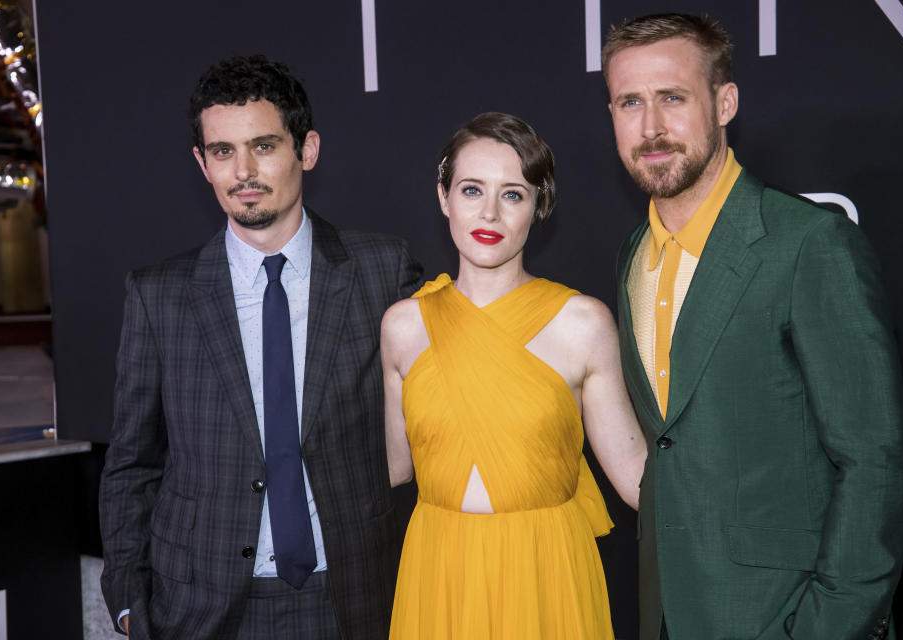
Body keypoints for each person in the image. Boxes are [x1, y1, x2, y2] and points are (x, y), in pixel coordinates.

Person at [602, 13, 903, 640]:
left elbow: (874, 462)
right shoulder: (633, 256)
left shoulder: (809, 244)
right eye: (629, 102)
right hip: (667, 615)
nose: (651, 126)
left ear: (725, 102)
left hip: (785, 615)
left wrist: (828, 626)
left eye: (672, 97)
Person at [99, 55, 422, 640]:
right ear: (202, 163)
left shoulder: (383, 271)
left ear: (308, 149)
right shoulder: (158, 295)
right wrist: (127, 601)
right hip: (201, 607)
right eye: (223, 151)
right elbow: (131, 463)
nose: (244, 170)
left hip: (351, 598)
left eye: (264, 145)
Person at [381, 112, 647, 639]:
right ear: (444, 197)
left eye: (513, 194)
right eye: (472, 189)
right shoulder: (403, 326)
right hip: (440, 571)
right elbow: (394, 469)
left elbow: (638, 477)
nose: (489, 212)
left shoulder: (583, 323)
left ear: (538, 207)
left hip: (546, 569)